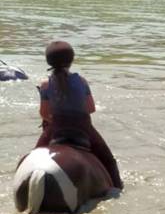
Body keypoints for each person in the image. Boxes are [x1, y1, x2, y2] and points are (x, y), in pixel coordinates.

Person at [34, 41, 123, 189]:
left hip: (55, 127)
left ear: (48, 60)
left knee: (34, 156)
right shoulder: (81, 81)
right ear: (71, 60)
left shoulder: (45, 84)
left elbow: (43, 113)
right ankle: (117, 187)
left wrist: (56, 120)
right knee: (109, 160)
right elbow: (91, 108)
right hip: (83, 127)